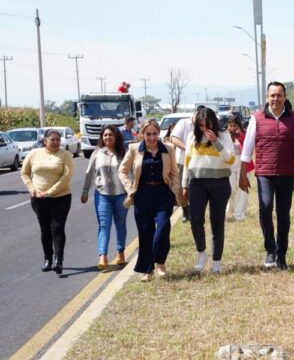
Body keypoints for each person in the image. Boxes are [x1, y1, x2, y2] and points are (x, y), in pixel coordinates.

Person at [239, 82, 294, 270]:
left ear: (285, 97)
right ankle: (270, 249)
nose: (275, 99)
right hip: (264, 173)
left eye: (279, 95)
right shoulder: (256, 118)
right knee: (265, 209)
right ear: (267, 98)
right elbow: (247, 149)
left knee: (283, 215)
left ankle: (282, 255)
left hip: (287, 174)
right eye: (272, 95)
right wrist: (242, 174)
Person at [119, 119, 179, 282]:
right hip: (142, 195)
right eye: (148, 134)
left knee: (163, 226)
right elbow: (122, 171)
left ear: (159, 134)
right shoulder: (134, 149)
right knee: (145, 233)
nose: (152, 137)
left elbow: (174, 172)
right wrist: (130, 189)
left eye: (154, 134)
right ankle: (147, 269)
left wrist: (174, 192)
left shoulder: (169, 149)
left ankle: (160, 261)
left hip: (163, 194)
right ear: (142, 134)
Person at [182, 108, 235, 274]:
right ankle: (201, 253)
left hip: (220, 183)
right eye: (201, 125)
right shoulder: (192, 137)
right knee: (196, 219)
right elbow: (187, 161)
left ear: (214, 122)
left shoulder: (224, 136)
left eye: (208, 124)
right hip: (197, 183)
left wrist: (216, 142)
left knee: (217, 222)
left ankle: (217, 261)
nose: (205, 128)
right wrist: (185, 184)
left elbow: (231, 159)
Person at [21, 129, 75, 275]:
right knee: (45, 229)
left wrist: (49, 192)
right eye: (53, 139)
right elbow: (24, 173)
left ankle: (58, 260)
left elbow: (66, 177)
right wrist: (32, 189)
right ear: (45, 141)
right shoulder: (34, 154)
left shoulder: (65, 155)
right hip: (39, 199)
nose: (56, 142)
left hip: (61, 197)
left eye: (58, 140)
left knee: (57, 228)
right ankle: (48, 259)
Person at [81, 125, 128, 269]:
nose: (108, 137)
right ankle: (103, 256)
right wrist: (85, 191)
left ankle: (120, 253)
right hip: (103, 195)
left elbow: (130, 172)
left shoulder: (123, 152)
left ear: (116, 137)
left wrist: (132, 192)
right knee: (104, 226)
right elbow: (89, 173)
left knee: (120, 225)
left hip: (121, 195)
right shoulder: (97, 153)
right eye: (105, 135)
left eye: (111, 135)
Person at [171, 108, 203, 222]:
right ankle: (185, 208)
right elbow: (173, 138)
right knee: (180, 188)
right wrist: (188, 148)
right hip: (182, 161)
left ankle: (195, 210)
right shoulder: (183, 123)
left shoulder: (203, 126)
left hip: (198, 163)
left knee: (196, 188)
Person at [226, 116, 250, 220]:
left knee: (243, 190)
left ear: (239, 125)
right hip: (230, 166)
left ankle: (240, 214)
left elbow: (248, 148)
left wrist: (240, 136)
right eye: (230, 125)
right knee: (229, 189)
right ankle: (230, 208)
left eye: (234, 125)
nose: (232, 128)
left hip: (243, 165)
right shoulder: (225, 135)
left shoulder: (244, 134)